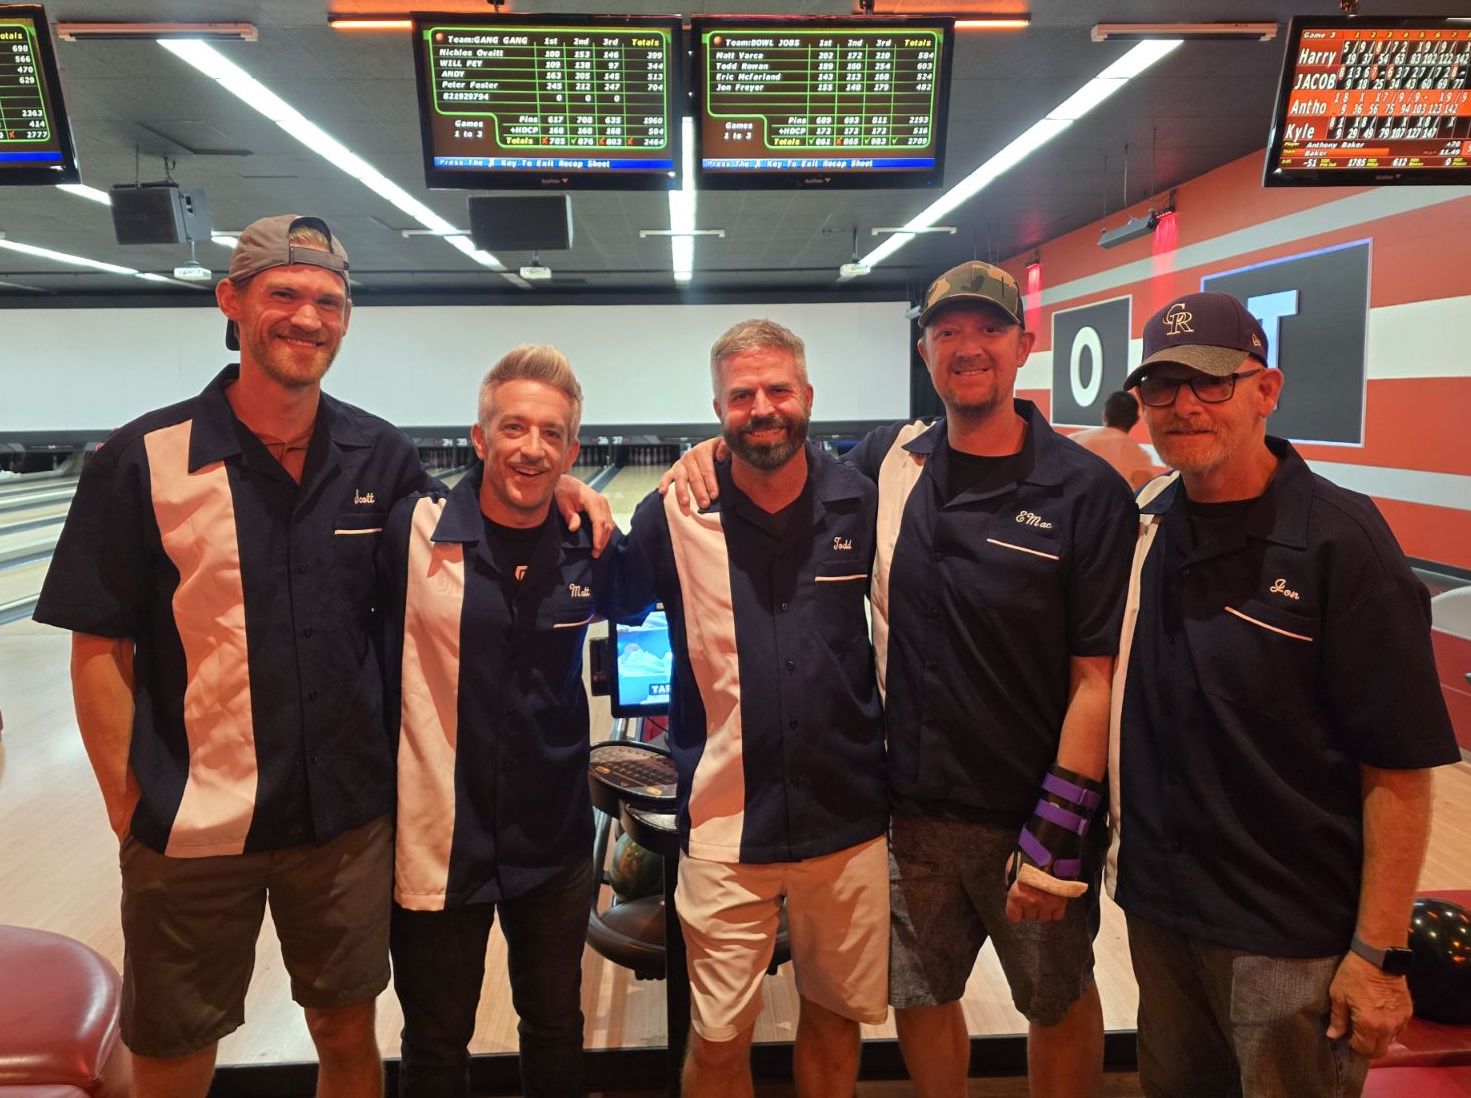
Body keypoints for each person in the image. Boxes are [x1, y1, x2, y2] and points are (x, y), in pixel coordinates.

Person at [665, 262, 1138, 1098]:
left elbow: (1095, 675)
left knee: (1056, 999)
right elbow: (773, 460)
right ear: (924, 351)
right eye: (948, 331)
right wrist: (703, 454)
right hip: (911, 808)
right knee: (924, 998)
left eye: (988, 329)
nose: (968, 347)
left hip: (1032, 810)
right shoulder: (885, 462)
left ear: (1023, 345)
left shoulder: (1083, 489)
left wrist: (1059, 829)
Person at [35, 215, 428, 1098]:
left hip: (342, 822)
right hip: (192, 822)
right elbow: (100, 646)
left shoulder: (380, 453)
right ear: (232, 301)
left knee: (345, 1027)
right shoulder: (142, 458)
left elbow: (464, 546)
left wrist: (559, 483)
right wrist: (127, 805)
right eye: (283, 293)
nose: (307, 316)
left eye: (328, 300)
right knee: (176, 1046)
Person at [1109, 290, 1460, 1098]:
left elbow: (1399, 770)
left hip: (1288, 937)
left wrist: (1378, 956)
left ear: (1264, 390)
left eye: (1210, 383)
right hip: (1161, 913)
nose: (1183, 406)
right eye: (1160, 388)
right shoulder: (1151, 526)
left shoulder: (1344, 541)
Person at [613, 318, 890, 1098]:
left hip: (847, 820)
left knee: (836, 1021)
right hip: (725, 820)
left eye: (776, 390)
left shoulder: (860, 502)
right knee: (718, 1035)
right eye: (742, 396)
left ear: (806, 396)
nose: (761, 408)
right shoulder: (670, 514)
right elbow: (607, 590)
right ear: (717, 408)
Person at [379, 345, 616, 1098]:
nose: (532, 448)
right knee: (435, 1043)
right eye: (513, 428)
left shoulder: (591, 542)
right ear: (479, 438)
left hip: (553, 841)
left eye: (552, 435)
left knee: (554, 1027)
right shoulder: (407, 533)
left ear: (573, 450)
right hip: (437, 836)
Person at [1071, 390, 1155, 490]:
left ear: (1105, 415)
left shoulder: (1072, 440)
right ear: (1135, 420)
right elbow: (1145, 495)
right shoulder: (1138, 454)